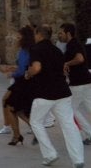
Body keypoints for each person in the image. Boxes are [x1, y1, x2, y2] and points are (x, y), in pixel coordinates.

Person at [26, 25, 84, 167]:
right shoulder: (57, 50)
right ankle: (78, 160)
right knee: (69, 125)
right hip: (62, 93)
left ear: (39, 34)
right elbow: (62, 69)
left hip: (44, 93)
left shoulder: (36, 49)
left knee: (36, 122)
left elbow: (37, 68)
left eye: (35, 33)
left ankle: (50, 154)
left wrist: (29, 73)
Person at [1, 26, 35, 145]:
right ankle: (18, 135)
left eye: (19, 36)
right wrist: (14, 68)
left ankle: (29, 131)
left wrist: (12, 73)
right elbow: (24, 67)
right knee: (13, 107)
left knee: (10, 106)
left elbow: (22, 71)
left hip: (22, 83)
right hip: (25, 82)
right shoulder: (30, 49)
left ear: (24, 37)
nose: (17, 38)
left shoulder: (24, 51)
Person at [59, 23, 91, 145]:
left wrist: (67, 64)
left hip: (78, 83)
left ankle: (88, 132)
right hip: (86, 81)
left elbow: (80, 59)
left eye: (61, 33)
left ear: (68, 33)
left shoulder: (73, 44)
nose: (59, 35)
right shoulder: (75, 44)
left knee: (70, 110)